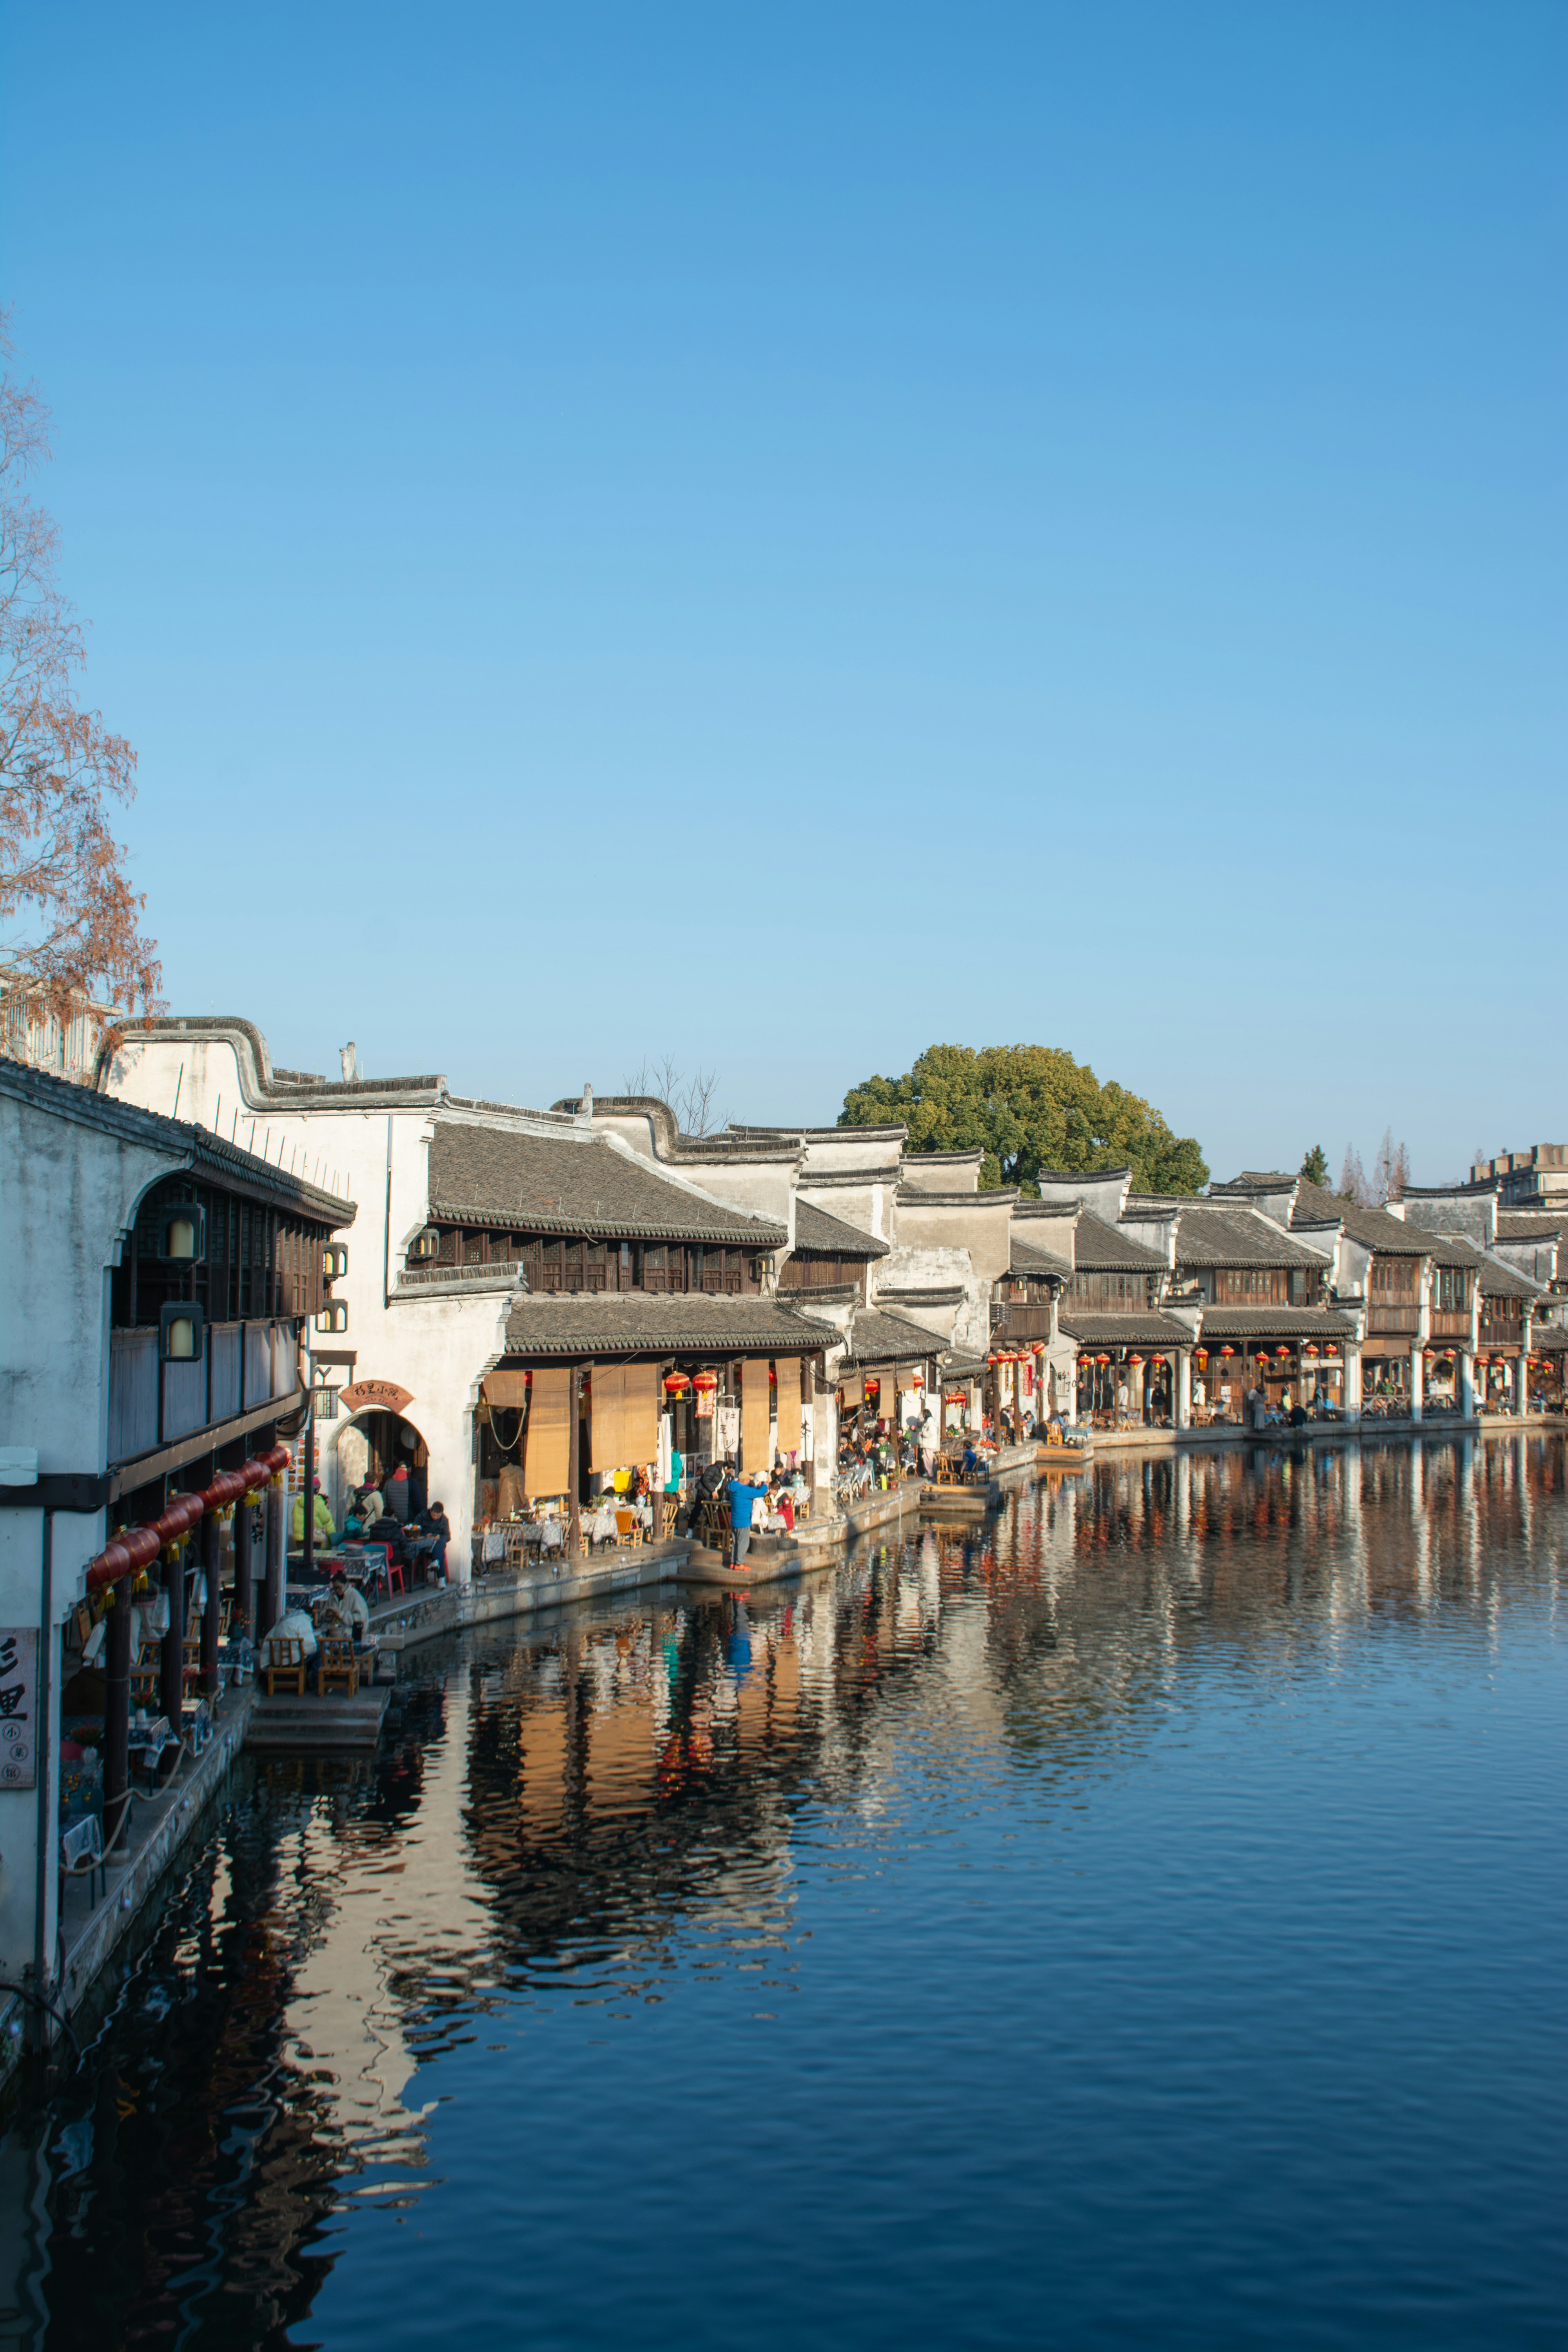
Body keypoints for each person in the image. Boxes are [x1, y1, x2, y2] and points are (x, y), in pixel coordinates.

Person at [726, 1466, 769, 1566]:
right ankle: (740, 1564)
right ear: (744, 1480)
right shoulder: (744, 1490)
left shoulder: (735, 1486)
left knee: (735, 1542)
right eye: (748, 1480)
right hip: (743, 1521)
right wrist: (765, 1486)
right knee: (743, 1543)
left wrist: (756, 1487)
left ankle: (733, 1562)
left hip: (735, 1521)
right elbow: (759, 1493)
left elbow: (750, 1490)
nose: (750, 1481)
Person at [323, 1571, 370, 1645]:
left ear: (346, 1585)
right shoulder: (332, 1596)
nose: (337, 1591)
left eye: (339, 1588)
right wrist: (327, 1614)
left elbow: (361, 1619)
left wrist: (341, 1615)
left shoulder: (355, 1595)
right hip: (334, 1632)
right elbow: (323, 1614)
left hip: (351, 1633)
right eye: (335, 1589)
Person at [291, 1478, 334, 1549]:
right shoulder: (319, 1502)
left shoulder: (298, 1502)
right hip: (314, 1538)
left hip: (300, 1539)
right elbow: (326, 1519)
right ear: (317, 1490)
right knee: (314, 1559)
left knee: (301, 1558)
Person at [423, 1500, 451, 1581]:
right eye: (434, 1515)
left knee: (442, 1541)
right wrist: (426, 1535)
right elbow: (416, 1530)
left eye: (438, 1516)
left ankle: (436, 1562)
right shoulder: (423, 1516)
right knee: (441, 1554)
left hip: (436, 1547)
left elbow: (448, 1536)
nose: (435, 1517)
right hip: (424, 1547)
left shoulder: (444, 1520)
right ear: (430, 1511)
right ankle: (441, 1579)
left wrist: (439, 1537)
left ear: (442, 1514)